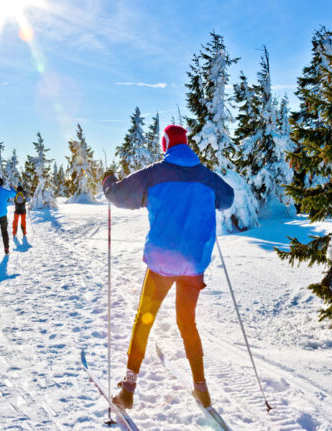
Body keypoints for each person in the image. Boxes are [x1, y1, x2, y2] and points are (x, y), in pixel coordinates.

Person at [102, 125, 234, 410]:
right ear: (186, 145)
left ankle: (128, 388)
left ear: (166, 145)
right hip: (193, 264)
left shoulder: (155, 173)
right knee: (187, 323)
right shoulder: (206, 176)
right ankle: (201, 388)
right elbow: (228, 199)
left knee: (145, 319)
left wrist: (108, 182)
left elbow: (118, 196)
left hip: (162, 263)